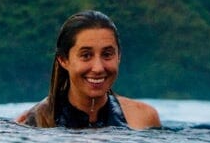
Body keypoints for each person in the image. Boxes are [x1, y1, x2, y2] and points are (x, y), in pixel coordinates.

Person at [16, 10, 161, 129]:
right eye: (86, 55)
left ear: (119, 57)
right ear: (63, 60)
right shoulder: (33, 123)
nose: (98, 68)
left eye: (107, 54)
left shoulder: (143, 118)